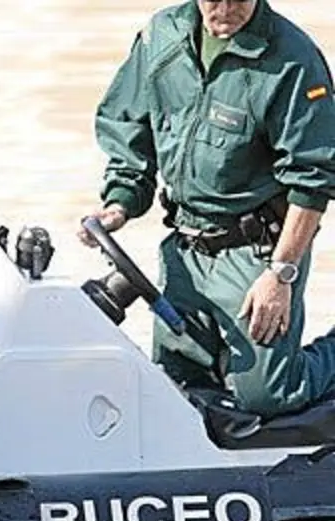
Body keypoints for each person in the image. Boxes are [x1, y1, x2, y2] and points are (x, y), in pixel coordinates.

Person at [83, 0, 335, 418]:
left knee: (270, 396)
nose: (227, 8)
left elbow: (314, 180)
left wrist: (281, 274)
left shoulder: (293, 60)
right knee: (177, 388)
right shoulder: (161, 37)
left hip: (257, 254)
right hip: (185, 246)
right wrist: (120, 204)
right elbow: (129, 127)